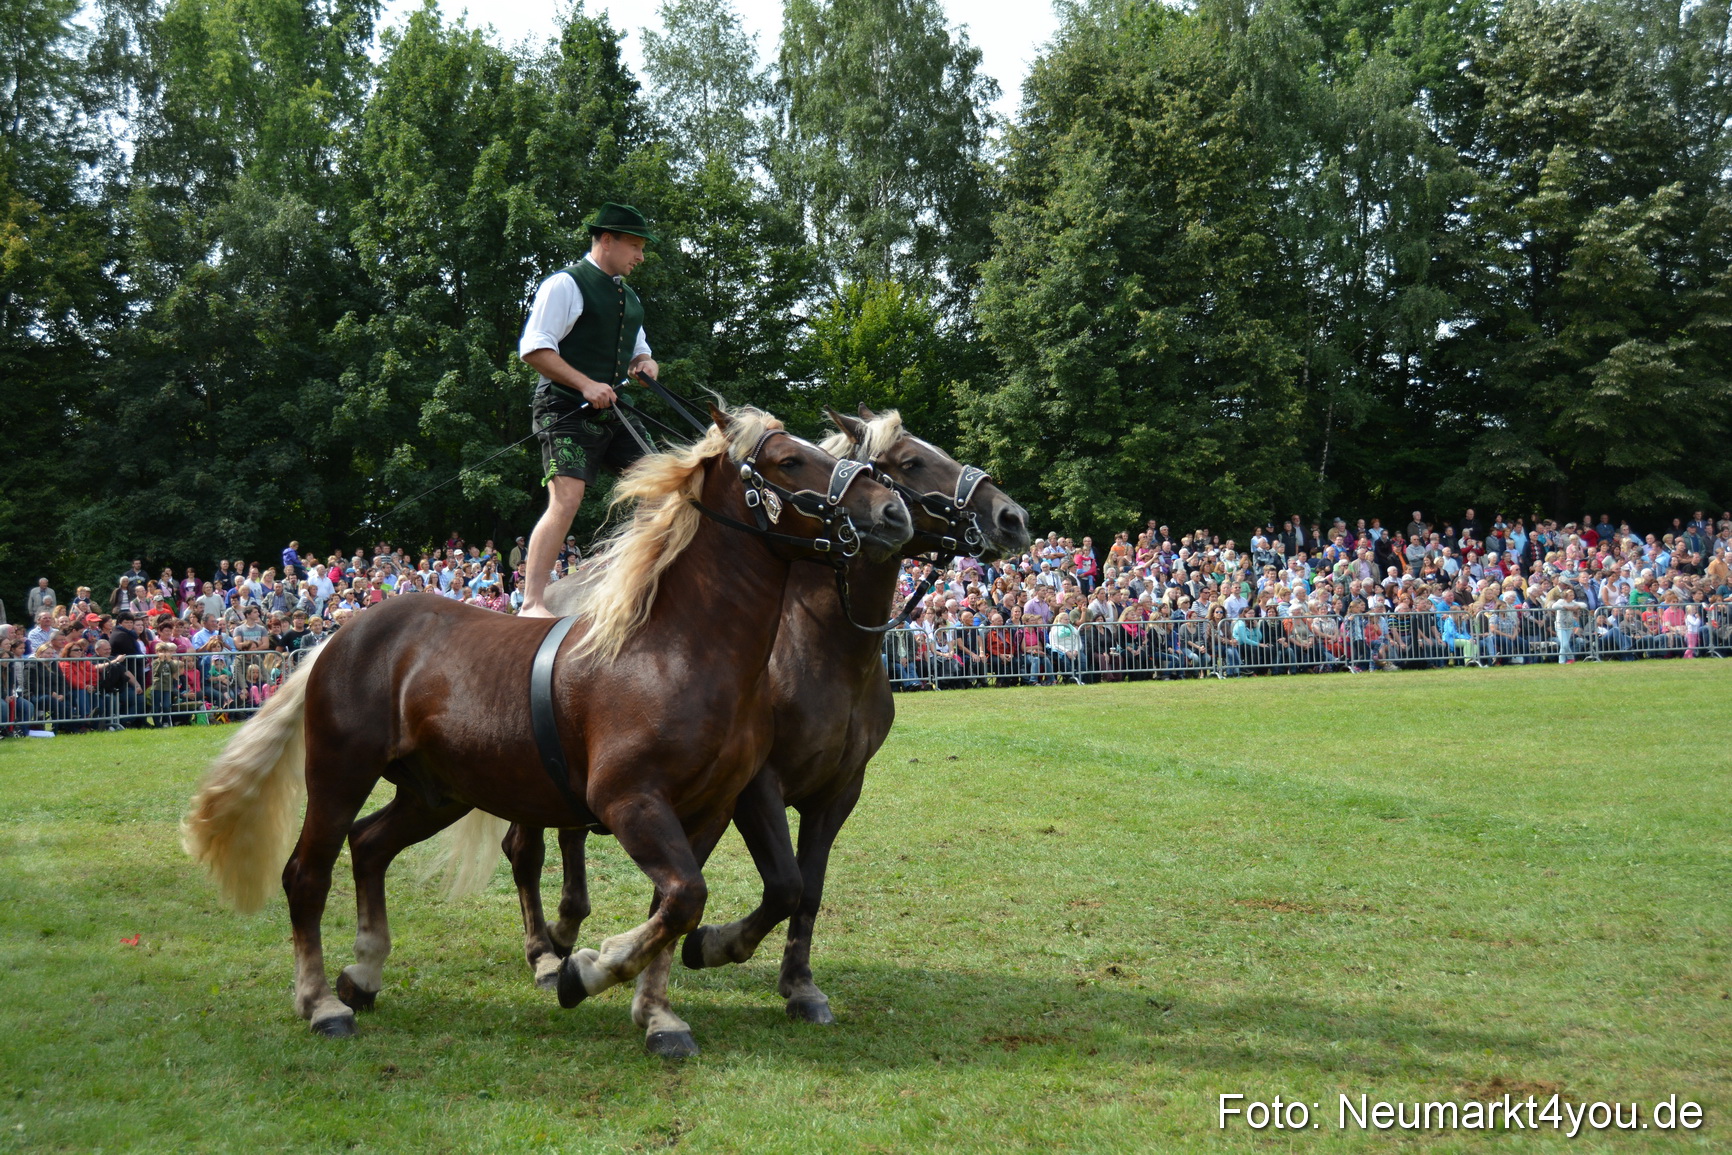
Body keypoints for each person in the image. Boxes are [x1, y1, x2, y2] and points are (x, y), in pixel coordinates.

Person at [516, 202, 662, 617]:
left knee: (664, 490)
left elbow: (640, 352)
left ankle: (625, 577)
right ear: (607, 240)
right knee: (567, 499)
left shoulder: (629, 298)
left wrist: (645, 365)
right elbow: (534, 348)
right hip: (563, 406)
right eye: (635, 246)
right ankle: (532, 603)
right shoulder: (566, 284)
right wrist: (583, 382)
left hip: (613, 408)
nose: (640, 256)